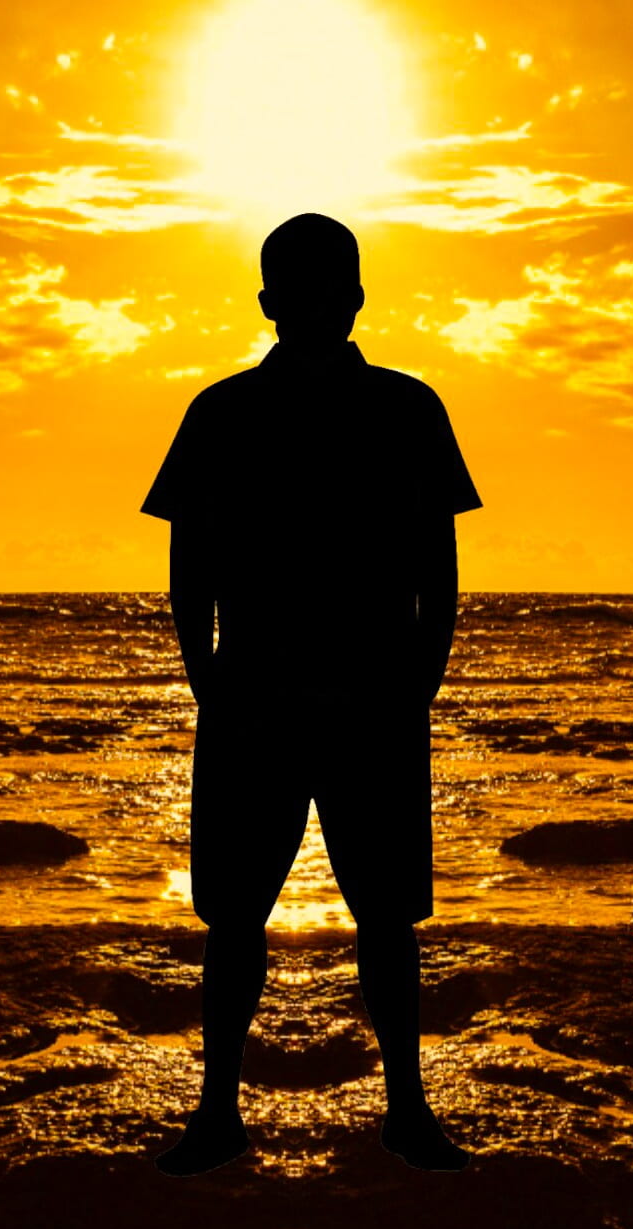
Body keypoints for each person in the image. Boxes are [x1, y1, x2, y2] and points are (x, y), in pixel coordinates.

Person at [139, 212, 480, 1178]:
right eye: (303, 293)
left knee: (383, 918)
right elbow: (187, 565)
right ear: (270, 304)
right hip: (262, 697)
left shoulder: (407, 408)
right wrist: (206, 677)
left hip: (363, 698)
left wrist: (421, 679)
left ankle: (403, 1106)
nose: (317, 308)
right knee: (237, 919)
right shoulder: (222, 411)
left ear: (353, 299)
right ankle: (219, 1112)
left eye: (326, 291)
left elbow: (438, 566)